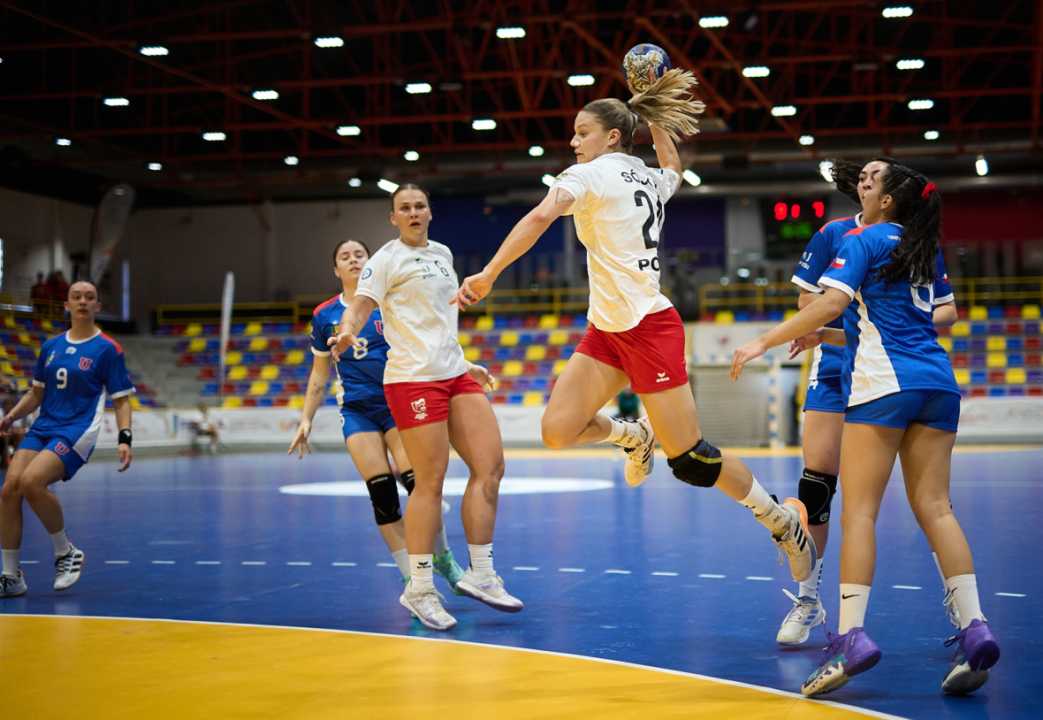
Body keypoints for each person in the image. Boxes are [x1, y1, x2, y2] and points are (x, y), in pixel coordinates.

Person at [453, 68, 816, 585]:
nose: (574, 140)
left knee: (690, 460)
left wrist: (489, 273)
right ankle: (632, 435)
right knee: (556, 431)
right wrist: (655, 116)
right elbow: (672, 164)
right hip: (606, 328)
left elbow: (538, 218)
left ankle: (780, 521)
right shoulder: (645, 177)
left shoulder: (589, 176)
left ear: (612, 137)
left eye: (583, 132)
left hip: (649, 328)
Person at [731, 162, 1000, 697]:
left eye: (874, 184)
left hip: (882, 386)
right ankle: (975, 627)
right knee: (937, 508)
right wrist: (826, 336)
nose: (863, 186)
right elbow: (891, 319)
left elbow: (830, 300)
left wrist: (762, 342)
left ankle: (851, 636)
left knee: (859, 513)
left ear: (887, 203)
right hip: (938, 383)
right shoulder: (921, 246)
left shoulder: (863, 239)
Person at [776, 158, 960, 646]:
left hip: (883, 368)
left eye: (873, 174)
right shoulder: (835, 234)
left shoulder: (911, 240)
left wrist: (889, 318)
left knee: (911, 503)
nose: (862, 178)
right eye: (861, 174)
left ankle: (953, 620)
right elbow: (809, 305)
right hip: (837, 368)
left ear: (889, 194)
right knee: (817, 485)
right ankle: (809, 600)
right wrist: (845, 329)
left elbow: (946, 311)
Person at [328, 187, 522, 631]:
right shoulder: (386, 259)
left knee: (491, 467)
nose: (413, 213)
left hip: (453, 372)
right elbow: (360, 306)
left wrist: (467, 363)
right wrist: (344, 332)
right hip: (413, 378)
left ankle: (483, 573)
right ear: (393, 217)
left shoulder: (443, 254)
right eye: (405, 208)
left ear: (430, 212)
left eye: (420, 206)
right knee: (429, 483)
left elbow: (437, 321)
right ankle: (419, 588)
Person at [289, 238, 465, 594]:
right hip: (357, 409)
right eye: (345, 256)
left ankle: (444, 558)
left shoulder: (390, 303)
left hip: (397, 401)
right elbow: (319, 373)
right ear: (335, 269)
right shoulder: (326, 316)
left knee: (421, 486)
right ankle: (411, 579)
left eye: (359, 255)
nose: (353, 260)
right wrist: (306, 419)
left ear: (370, 263)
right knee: (383, 495)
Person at [0, 281, 134, 597]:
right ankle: (10, 576)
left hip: (77, 429)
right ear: (67, 305)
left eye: (89, 297)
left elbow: (121, 399)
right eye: (76, 297)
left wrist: (125, 438)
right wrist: (11, 416)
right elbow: (36, 394)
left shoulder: (108, 349)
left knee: (33, 482)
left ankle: (66, 552)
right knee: (9, 490)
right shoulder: (51, 347)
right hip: (45, 425)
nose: (83, 302)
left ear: (97, 306)